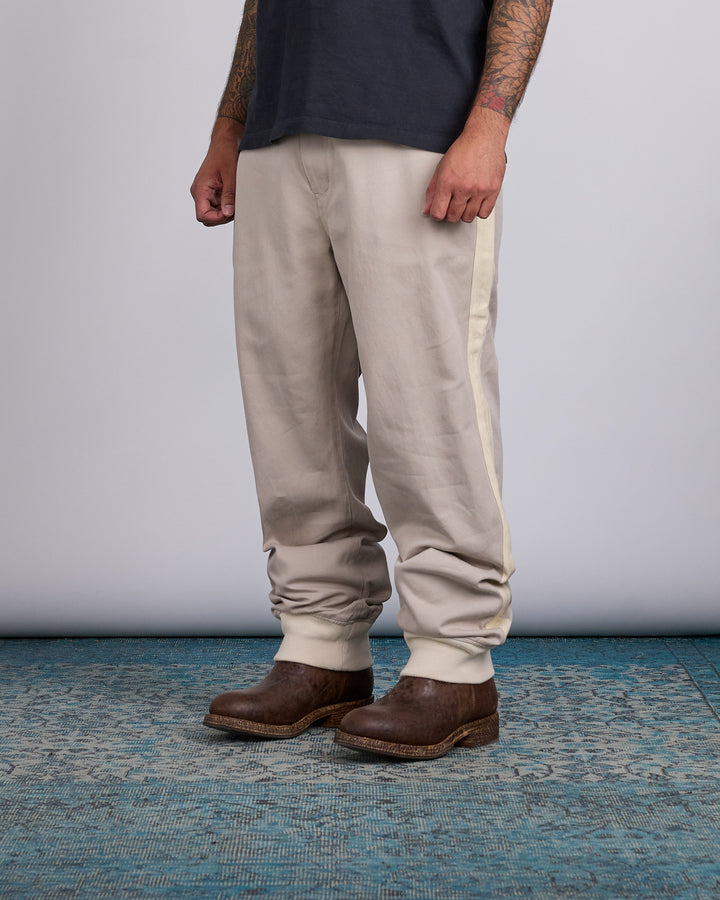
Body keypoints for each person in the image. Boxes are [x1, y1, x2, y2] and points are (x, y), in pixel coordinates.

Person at [191, 0, 553, 761]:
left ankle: (455, 663)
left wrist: (489, 127)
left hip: (419, 126)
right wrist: (230, 127)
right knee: (291, 404)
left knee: (428, 403)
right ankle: (321, 646)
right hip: (279, 131)